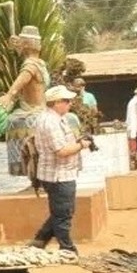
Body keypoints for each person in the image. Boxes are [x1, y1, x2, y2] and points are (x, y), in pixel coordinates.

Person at [27, 85, 92, 255]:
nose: (70, 103)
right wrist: (81, 145)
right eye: (66, 100)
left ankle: (39, 240)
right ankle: (67, 248)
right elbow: (61, 151)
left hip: (57, 173)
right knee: (64, 214)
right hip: (58, 175)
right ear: (55, 103)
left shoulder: (53, 118)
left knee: (60, 211)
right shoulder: (51, 122)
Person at [0, 25, 49, 177]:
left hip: (33, 110)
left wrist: (9, 95)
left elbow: (21, 81)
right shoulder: (40, 63)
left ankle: (24, 169)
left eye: (21, 44)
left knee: (13, 122)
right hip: (43, 108)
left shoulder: (30, 65)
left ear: (26, 45)